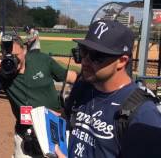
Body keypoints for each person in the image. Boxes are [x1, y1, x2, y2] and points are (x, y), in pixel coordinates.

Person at [65, 20, 161, 158]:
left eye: (96, 56)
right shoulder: (82, 88)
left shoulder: (143, 114)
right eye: (83, 51)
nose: (85, 61)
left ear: (122, 61)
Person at [0, 35, 77, 158]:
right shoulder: (3, 71)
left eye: (16, 55)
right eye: (8, 55)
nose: (13, 60)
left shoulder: (42, 60)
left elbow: (70, 76)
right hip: (26, 135)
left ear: (24, 50)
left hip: (53, 132)